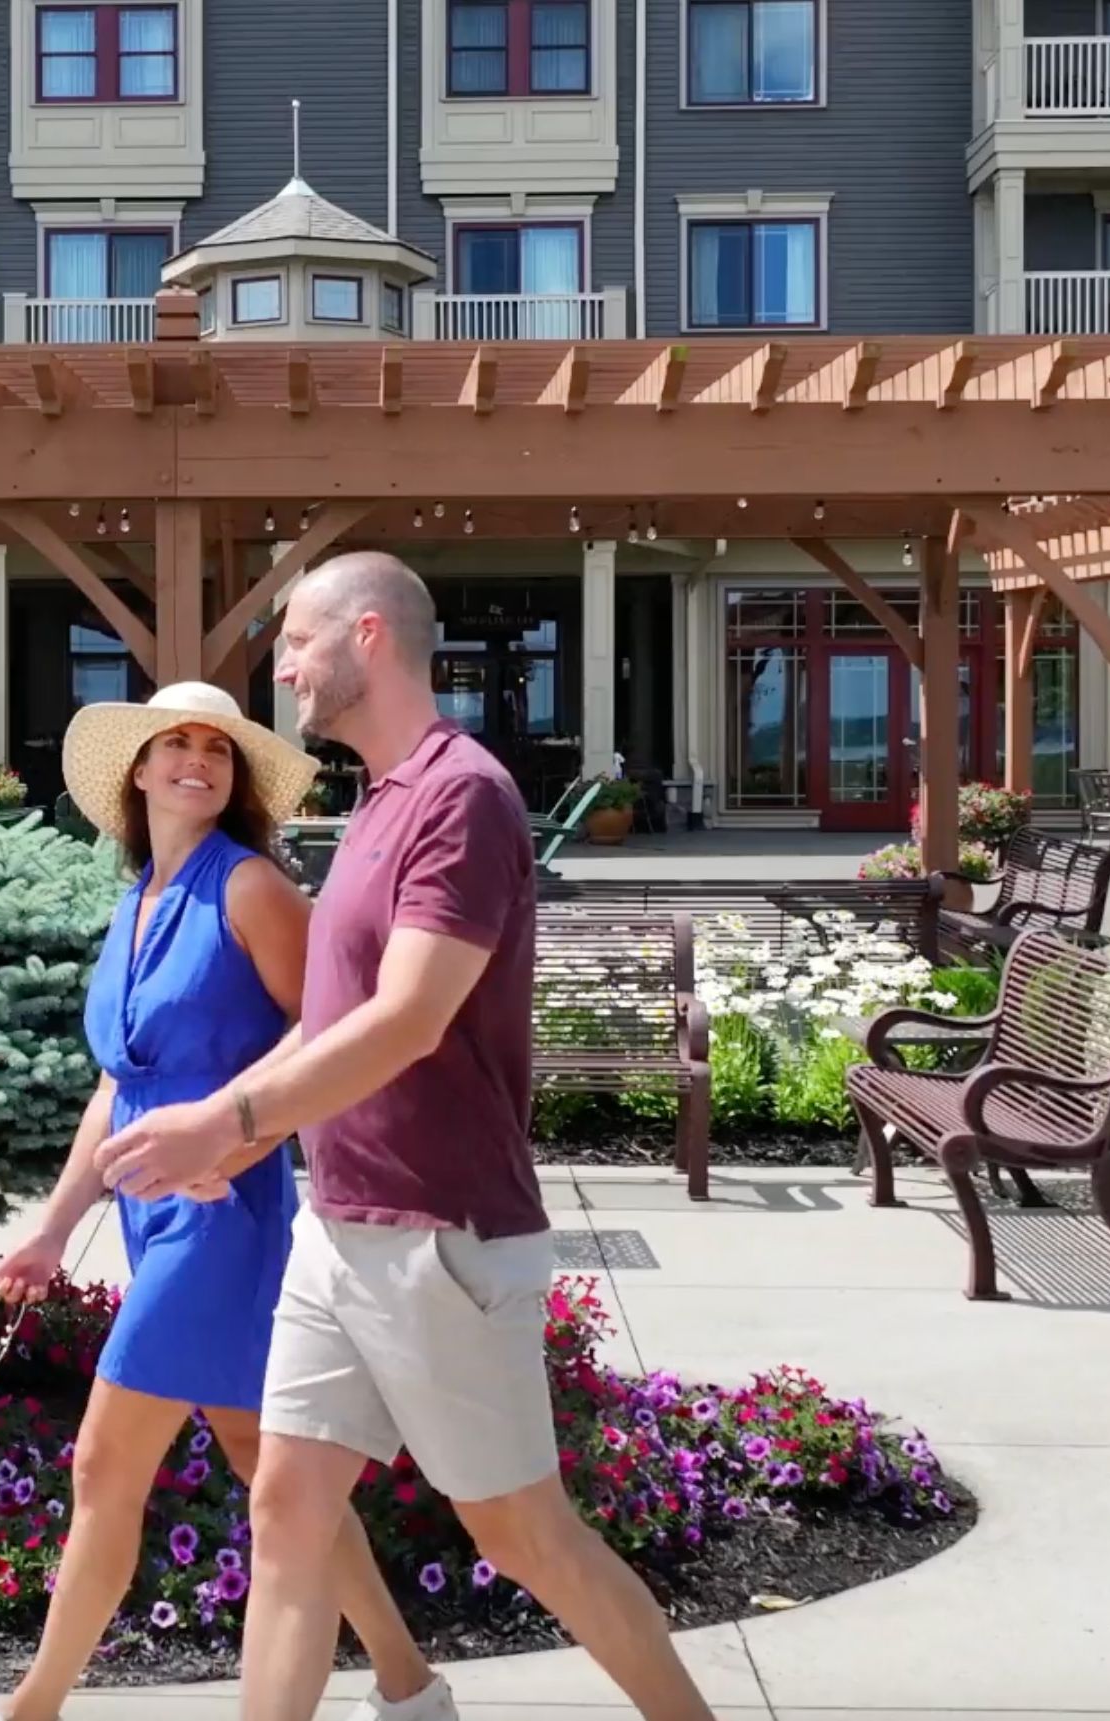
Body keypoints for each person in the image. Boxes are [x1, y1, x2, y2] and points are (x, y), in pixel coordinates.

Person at [94, 556, 719, 1721]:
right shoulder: (380, 799)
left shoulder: (459, 796)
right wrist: (231, 1137)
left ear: (367, 634)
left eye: (295, 639)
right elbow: (327, 1021)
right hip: (336, 1227)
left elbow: (409, 1017)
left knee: (523, 1533)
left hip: (440, 1233)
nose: (284, 667)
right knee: (285, 1510)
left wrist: (227, 1118)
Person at [0, 680, 456, 1721]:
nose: (196, 758)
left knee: (104, 1462)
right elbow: (118, 1085)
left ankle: (32, 1706)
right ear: (138, 770)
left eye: (217, 747)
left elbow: (329, 1033)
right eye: (176, 743)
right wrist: (53, 1229)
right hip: (151, 1210)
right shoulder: (137, 899)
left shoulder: (249, 886)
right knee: (264, 1459)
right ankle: (409, 1684)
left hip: (222, 1213)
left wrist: (238, 1140)